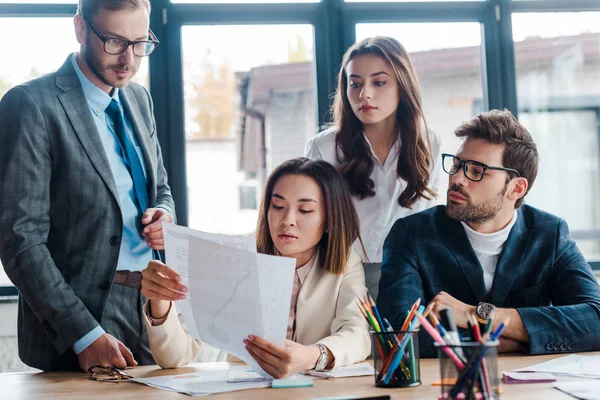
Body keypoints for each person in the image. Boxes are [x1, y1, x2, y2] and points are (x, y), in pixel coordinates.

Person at [0, 0, 175, 371]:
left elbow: (161, 188)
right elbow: (20, 238)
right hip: (80, 320)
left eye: (140, 43)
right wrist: (84, 334)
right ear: (81, 29)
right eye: (114, 41)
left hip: (148, 309)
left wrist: (164, 214)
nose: (128, 59)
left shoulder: (139, 99)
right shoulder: (31, 104)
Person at [378, 109, 600, 357]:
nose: (457, 179)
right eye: (456, 164)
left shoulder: (550, 234)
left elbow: (595, 320)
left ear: (516, 188)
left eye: (476, 170)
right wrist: (517, 342)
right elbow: (398, 333)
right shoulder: (411, 234)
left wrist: (477, 314)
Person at [140, 158, 370, 378]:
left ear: (329, 219)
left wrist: (311, 356)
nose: (287, 220)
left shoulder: (346, 263)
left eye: (304, 210)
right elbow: (173, 358)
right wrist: (160, 299)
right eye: (278, 206)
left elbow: (357, 333)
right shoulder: (237, 257)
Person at [305, 36, 441, 299]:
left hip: (408, 274)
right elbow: (311, 222)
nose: (364, 94)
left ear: (402, 86)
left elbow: (428, 217)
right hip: (339, 275)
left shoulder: (428, 142)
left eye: (379, 82)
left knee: (403, 341)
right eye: (354, 83)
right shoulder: (323, 148)